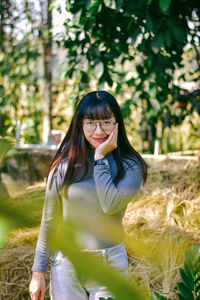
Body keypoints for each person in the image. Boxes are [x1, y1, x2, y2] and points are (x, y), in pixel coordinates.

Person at [29, 91, 147, 300]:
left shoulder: (130, 165)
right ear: (80, 125)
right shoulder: (63, 167)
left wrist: (101, 158)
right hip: (67, 266)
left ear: (117, 124)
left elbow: (110, 205)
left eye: (106, 122)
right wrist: (38, 273)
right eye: (90, 123)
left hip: (109, 265)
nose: (98, 130)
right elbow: (49, 221)